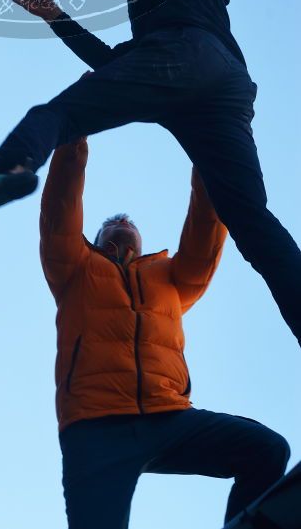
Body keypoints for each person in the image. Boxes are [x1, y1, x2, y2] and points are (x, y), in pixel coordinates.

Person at [0, 0, 301, 347]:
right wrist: (57, 17)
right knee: (253, 221)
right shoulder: (205, 11)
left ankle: (14, 166)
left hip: (184, 56)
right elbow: (116, 64)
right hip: (225, 90)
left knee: (64, 114)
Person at [41, 137, 289, 529]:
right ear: (97, 239)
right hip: (95, 427)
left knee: (267, 450)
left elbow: (206, 227)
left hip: (168, 418)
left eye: (129, 222)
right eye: (111, 223)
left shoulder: (171, 278)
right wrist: (75, 133)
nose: (121, 222)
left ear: (141, 244)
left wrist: (205, 150)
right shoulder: (74, 268)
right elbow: (61, 205)